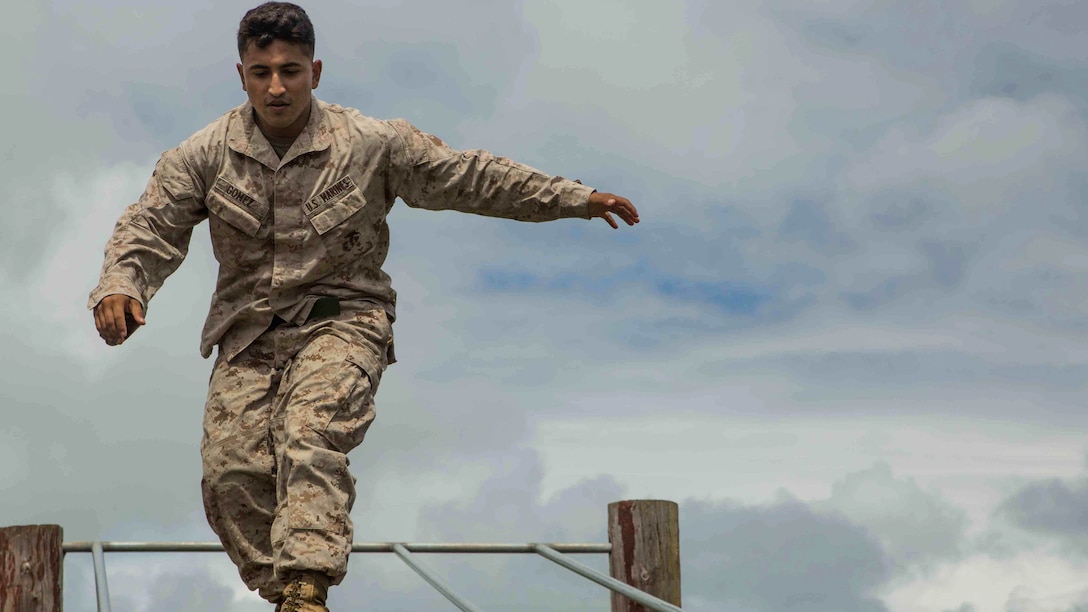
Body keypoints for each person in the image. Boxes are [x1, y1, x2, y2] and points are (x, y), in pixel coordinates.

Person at [88, 2, 639, 610]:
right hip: (248, 335)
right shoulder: (203, 155)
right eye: (262, 72)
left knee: (309, 431)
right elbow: (149, 227)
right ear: (240, 75)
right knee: (230, 478)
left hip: (344, 321)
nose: (277, 86)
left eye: (291, 71)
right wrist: (122, 286)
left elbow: (472, 176)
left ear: (315, 72)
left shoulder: (372, 143)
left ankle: (306, 586)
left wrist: (575, 198)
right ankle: (288, 596)